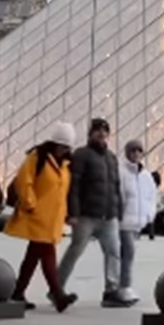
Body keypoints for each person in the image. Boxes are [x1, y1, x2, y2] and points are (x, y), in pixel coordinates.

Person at [6, 123, 78, 311]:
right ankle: (58, 295)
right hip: (37, 215)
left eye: (68, 148)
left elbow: (65, 191)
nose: (65, 151)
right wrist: (30, 203)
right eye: (62, 146)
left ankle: (18, 292)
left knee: (34, 255)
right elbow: (23, 180)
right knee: (46, 253)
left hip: (53, 217)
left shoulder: (67, 164)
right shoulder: (37, 157)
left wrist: (67, 213)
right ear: (53, 143)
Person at [57, 117, 124, 304]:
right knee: (75, 251)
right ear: (91, 134)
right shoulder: (82, 154)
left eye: (105, 131)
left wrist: (119, 211)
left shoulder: (111, 158)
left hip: (108, 215)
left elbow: (116, 187)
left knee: (114, 252)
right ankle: (57, 287)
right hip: (87, 215)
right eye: (98, 130)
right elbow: (74, 186)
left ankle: (111, 291)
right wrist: (73, 213)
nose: (102, 134)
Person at [117, 140, 156, 304]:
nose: (136, 154)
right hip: (124, 221)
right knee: (129, 253)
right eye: (132, 151)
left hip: (137, 221)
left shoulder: (146, 175)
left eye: (139, 151)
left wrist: (149, 215)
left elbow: (152, 197)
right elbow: (117, 195)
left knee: (124, 254)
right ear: (127, 153)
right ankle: (125, 287)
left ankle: (117, 286)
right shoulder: (122, 173)